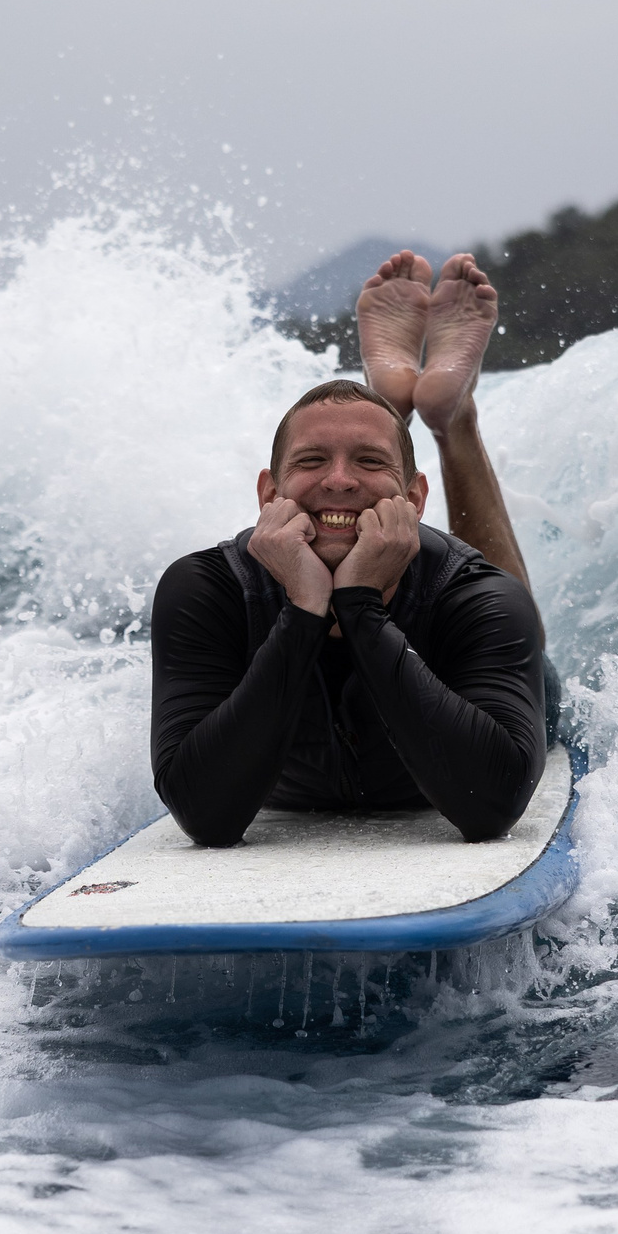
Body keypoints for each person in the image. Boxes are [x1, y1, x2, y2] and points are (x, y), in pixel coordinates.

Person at [150, 251, 551, 847]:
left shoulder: (476, 594)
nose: (338, 480)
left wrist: (359, 604)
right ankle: (394, 408)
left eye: (369, 461)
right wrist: (306, 609)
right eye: (311, 461)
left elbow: (490, 808)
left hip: (479, 681)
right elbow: (206, 818)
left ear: (415, 498)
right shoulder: (207, 589)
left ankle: (452, 416)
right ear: (268, 492)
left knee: (523, 638)